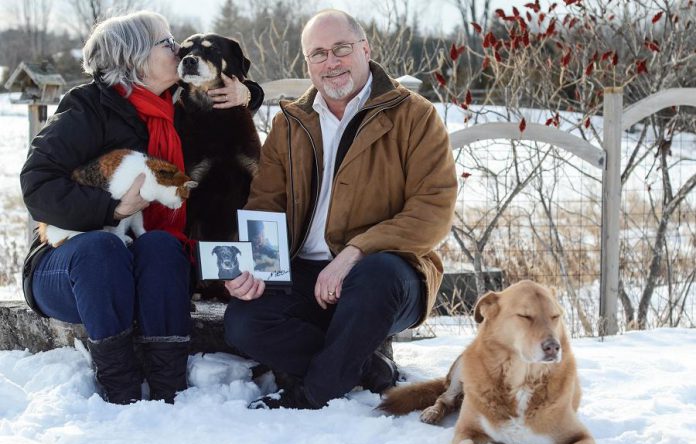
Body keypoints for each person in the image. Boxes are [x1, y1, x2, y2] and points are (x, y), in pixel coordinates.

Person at [19, 11, 263, 405]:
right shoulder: (88, 107)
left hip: (138, 260)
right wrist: (111, 210)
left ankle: (169, 389)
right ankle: (119, 390)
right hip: (68, 263)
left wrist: (248, 93)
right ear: (133, 57)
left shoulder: (175, 108)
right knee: (104, 249)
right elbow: (37, 184)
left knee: (165, 247)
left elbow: (224, 94)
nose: (178, 48)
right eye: (166, 43)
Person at [223, 9, 458, 409]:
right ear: (308, 64)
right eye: (318, 54)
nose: (330, 62)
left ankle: (313, 393)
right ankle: (365, 368)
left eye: (341, 49)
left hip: (386, 277)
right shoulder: (290, 124)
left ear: (365, 50)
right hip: (305, 271)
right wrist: (254, 267)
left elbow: (433, 209)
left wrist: (355, 252)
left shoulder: (414, 116)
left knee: (375, 275)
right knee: (243, 323)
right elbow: (266, 203)